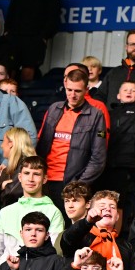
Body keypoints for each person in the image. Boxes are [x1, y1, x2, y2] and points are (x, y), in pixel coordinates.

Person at [37, 68, 109, 206]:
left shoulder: (95, 115)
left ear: (86, 89)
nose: (72, 95)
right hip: (45, 179)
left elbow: (98, 158)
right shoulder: (54, 108)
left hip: (72, 183)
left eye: (77, 91)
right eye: (69, 90)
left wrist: (79, 185)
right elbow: (41, 145)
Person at [0, 158, 65, 270]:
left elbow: (55, 252)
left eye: (36, 174)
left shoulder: (53, 212)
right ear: (20, 177)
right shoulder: (6, 211)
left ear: (44, 179)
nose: (30, 179)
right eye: (26, 173)